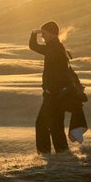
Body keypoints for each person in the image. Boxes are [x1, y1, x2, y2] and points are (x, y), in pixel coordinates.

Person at [29, 21, 73, 154]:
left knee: (42, 124)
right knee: (56, 125)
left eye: (44, 34)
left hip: (54, 94)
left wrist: (50, 90)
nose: (42, 37)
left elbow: (33, 46)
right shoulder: (55, 47)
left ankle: (45, 153)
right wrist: (34, 34)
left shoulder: (54, 48)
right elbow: (34, 46)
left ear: (51, 34)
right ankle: (62, 152)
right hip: (57, 94)